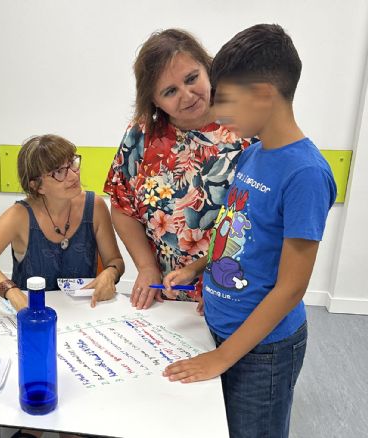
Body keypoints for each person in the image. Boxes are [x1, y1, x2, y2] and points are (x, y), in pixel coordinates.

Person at [162, 24, 337, 438]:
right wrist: (198, 267)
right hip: (223, 328)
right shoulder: (254, 152)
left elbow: (291, 288)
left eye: (226, 100)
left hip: (264, 351)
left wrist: (222, 359)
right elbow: (236, 228)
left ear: (262, 94)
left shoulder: (306, 174)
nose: (218, 113)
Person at [104, 29, 256, 313]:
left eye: (191, 78)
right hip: (167, 296)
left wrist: (218, 280)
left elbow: (263, 223)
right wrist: (146, 267)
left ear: (207, 68)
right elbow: (123, 207)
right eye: (170, 91)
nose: (187, 95)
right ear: (154, 101)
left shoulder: (247, 128)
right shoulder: (142, 135)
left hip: (233, 290)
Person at [0, 134, 125, 311]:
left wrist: (110, 273)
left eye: (72, 163)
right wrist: (11, 291)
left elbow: (115, 260)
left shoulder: (95, 206)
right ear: (37, 186)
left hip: (83, 311)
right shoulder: (20, 216)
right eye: (59, 172)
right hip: (33, 312)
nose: (73, 176)